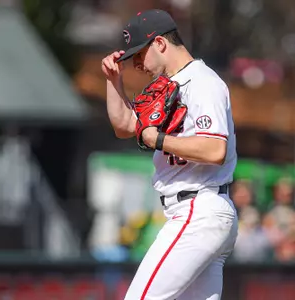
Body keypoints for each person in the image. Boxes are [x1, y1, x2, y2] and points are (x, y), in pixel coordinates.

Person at [101, 9, 239, 300]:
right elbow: (126, 127)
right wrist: (115, 82)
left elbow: (215, 149)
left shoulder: (202, 82)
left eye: (139, 55)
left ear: (160, 44)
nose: (137, 64)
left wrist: (160, 139)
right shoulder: (169, 87)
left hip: (198, 210)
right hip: (196, 212)